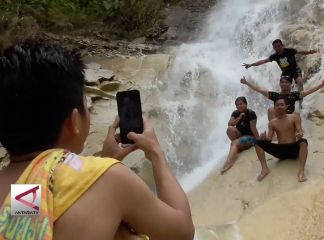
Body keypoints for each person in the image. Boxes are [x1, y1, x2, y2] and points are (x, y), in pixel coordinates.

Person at [0, 41, 194, 240]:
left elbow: (28, 208)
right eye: (85, 104)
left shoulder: (22, 191)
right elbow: (182, 232)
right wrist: (155, 153)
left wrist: (103, 161)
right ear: (74, 121)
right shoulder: (109, 179)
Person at [254, 97, 309, 182]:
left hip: (293, 149)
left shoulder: (294, 117)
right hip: (280, 151)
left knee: (303, 142)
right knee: (257, 142)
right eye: (277, 105)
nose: (279, 107)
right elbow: (269, 139)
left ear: (286, 106)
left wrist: (299, 134)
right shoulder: (272, 122)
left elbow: (299, 130)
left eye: (282, 105)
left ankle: (301, 171)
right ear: (274, 107)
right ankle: (265, 169)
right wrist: (264, 138)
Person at [242, 39, 317, 92]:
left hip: (295, 69)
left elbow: (300, 52)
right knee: (283, 87)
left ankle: (301, 101)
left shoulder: (289, 50)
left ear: (282, 45)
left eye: (278, 46)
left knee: (300, 82)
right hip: (286, 73)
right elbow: (263, 61)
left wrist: (309, 52)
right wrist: (251, 65)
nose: (277, 48)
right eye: (275, 47)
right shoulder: (275, 56)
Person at [240, 76, 324, 120]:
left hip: (289, 119)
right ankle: (273, 133)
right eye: (282, 82)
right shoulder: (275, 95)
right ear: (280, 84)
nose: (284, 84)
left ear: (291, 85)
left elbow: (308, 91)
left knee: (297, 114)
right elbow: (259, 89)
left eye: (287, 82)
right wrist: (246, 83)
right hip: (278, 119)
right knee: (271, 109)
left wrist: (321, 85)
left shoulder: (294, 95)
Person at [222, 97, 259, 174]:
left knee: (234, 143)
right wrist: (239, 117)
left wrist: (259, 142)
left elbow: (253, 129)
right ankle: (238, 146)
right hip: (241, 135)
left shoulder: (251, 113)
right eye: (237, 105)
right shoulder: (235, 113)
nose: (239, 106)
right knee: (230, 129)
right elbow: (230, 124)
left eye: (241, 104)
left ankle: (229, 162)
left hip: (250, 137)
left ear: (246, 104)